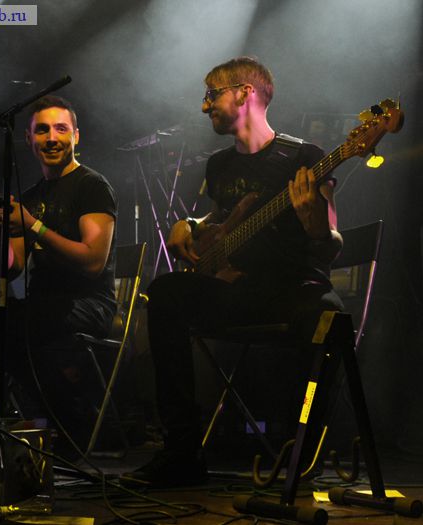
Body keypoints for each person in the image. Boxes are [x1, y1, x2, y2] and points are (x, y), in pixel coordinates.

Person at [122, 57, 344, 487]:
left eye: (212, 94)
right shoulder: (219, 165)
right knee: (165, 293)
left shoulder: (304, 157)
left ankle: (302, 451)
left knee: (327, 318)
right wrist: (190, 224)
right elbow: (222, 220)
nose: (204, 106)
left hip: (293, 288)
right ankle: (182, 452)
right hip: (239, 289)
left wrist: (316, 225)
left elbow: (332, 241)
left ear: (245, 93)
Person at [0, 96, 117, 427]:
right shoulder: (31, 196)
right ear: (29, 139)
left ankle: (67, 415)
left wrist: (33, 226)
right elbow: (10, 269)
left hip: (89, 305)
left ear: (76, 136)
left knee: (9, 324)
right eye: (42, 130)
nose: (51, 138)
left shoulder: (92, 186)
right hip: (40, 305)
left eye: (61, 129)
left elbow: (93, 263)